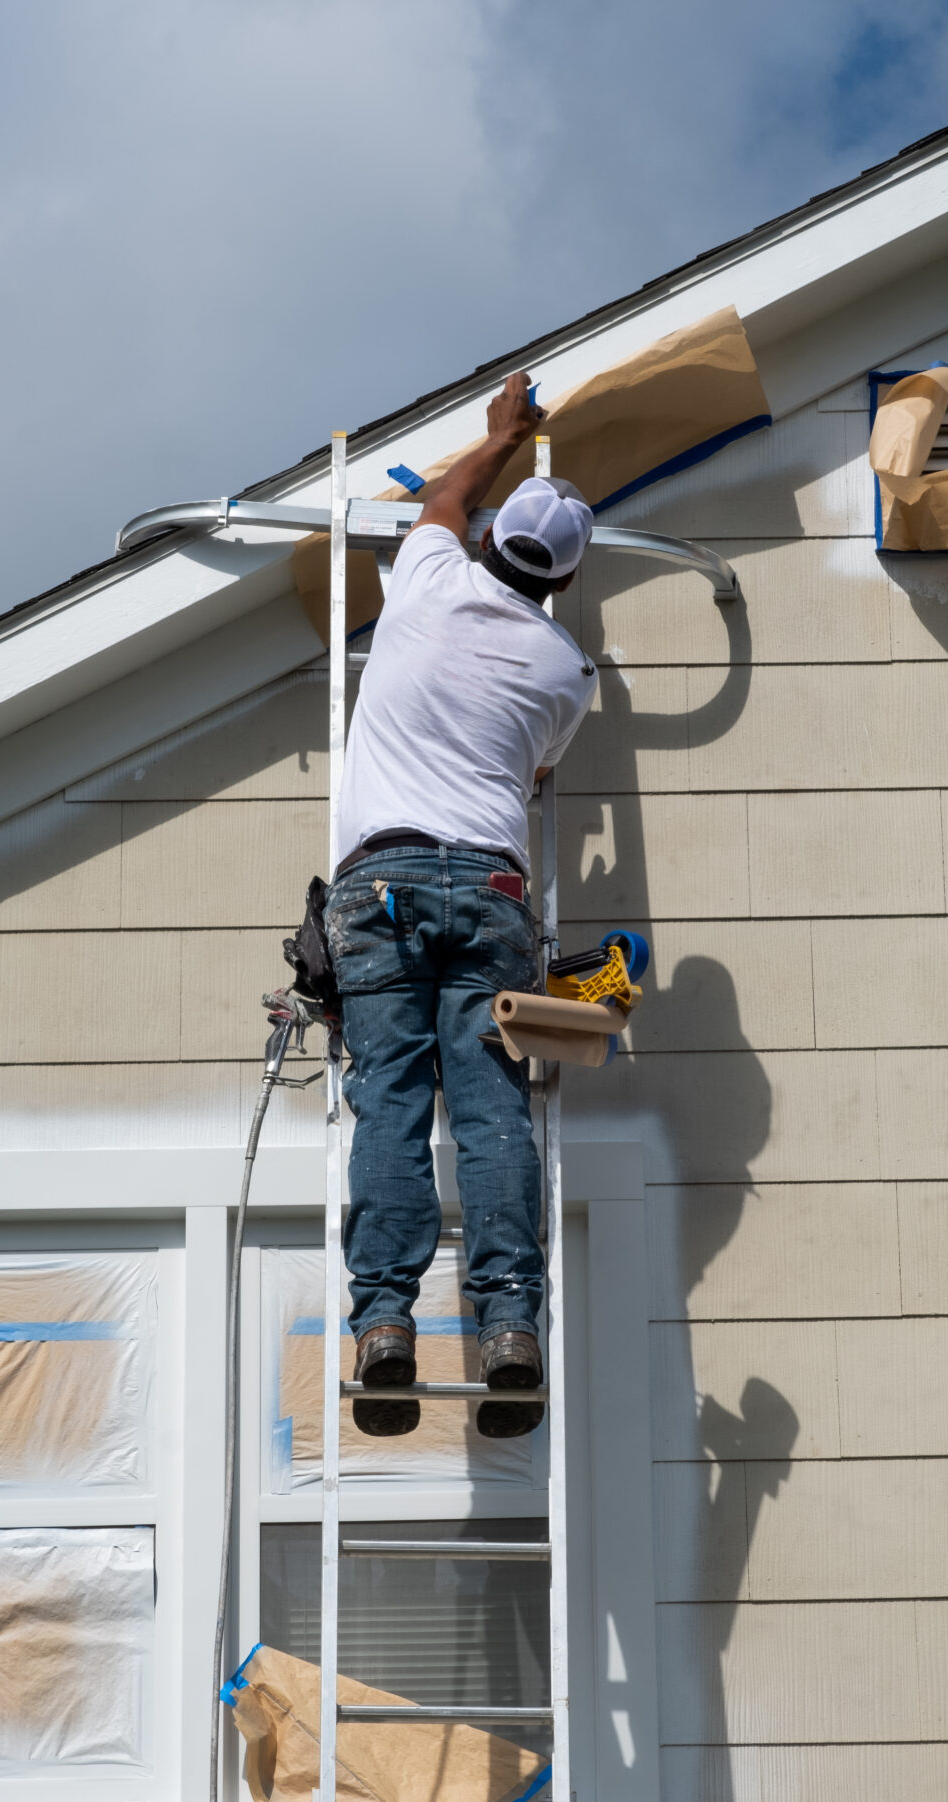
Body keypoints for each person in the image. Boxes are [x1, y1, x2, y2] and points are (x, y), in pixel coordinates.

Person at [324, 371, 596, 1440]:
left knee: (389, 1098)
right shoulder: (566, 670)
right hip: (488, 887)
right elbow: (529, 777)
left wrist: (498, 436)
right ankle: (510, 1326)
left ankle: (386, 1323)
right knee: (488, 1106)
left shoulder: (428, 574)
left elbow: (441, 497)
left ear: (491, 541)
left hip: (380, 880)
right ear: (563, 577)